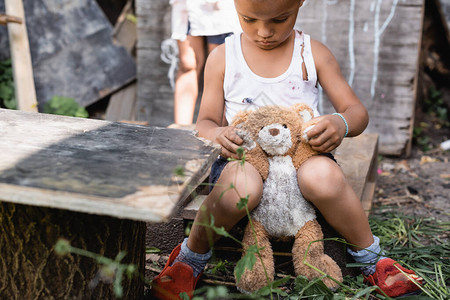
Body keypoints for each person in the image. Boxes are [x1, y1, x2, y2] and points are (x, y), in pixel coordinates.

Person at [151, 0, 423, 299]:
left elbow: (356, 111)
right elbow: (204, 122)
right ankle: (190, 257)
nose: (264, 31)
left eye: (280, 19)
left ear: (299, 5)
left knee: (322, 177)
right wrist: (217, 133)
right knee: (241, 186)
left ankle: (372, 258)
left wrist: (340, 123)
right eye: (249, 19)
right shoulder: (223, 57)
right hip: (246, 158)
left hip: (302, 156)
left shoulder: (312, 53)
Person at [170, 0, 240, 126]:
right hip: (187, 5)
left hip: (221, 8)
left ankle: (218, 129)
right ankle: (180, 127)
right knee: (188, 63)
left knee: (221, 66)